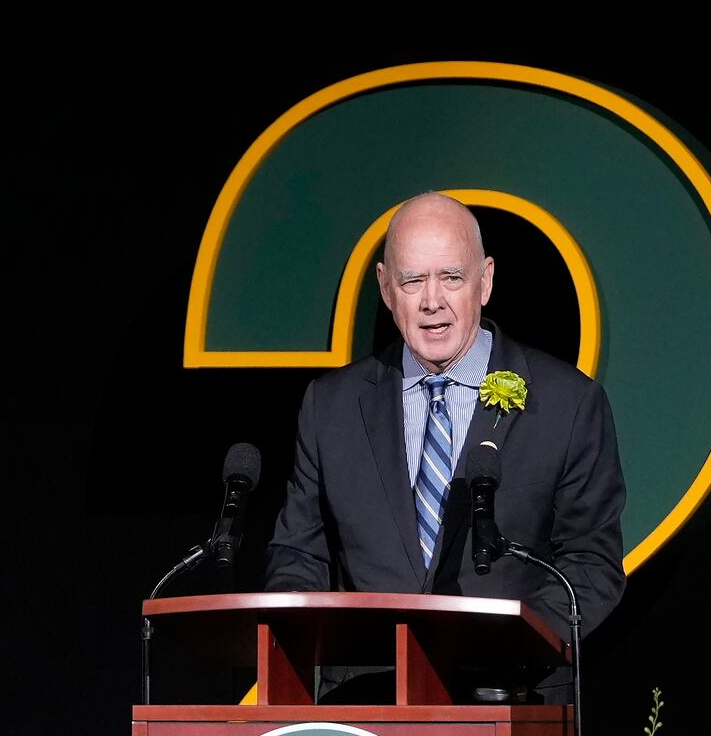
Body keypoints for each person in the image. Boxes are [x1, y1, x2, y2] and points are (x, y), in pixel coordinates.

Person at [264, 193, 627, 671]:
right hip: (368, 707)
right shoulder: (330, 406)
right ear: (386, 288)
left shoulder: (568, 404)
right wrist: (301, 632)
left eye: (451, 277)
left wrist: (510, 649)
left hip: (512, 700)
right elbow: (298, 556)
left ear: (485, 281)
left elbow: (591, 562)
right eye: (412, 280)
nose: (432, 301)